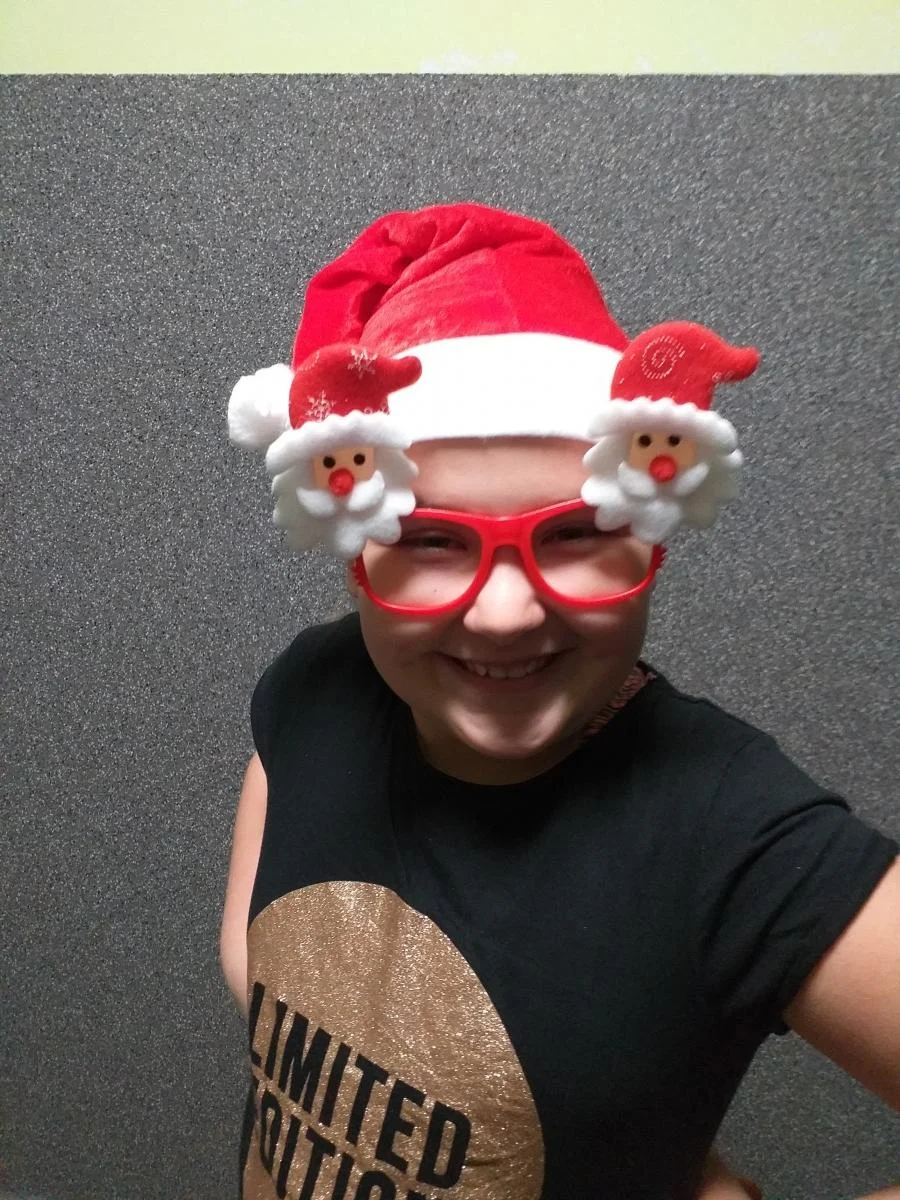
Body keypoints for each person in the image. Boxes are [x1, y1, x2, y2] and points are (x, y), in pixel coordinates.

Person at [220, 203, 900, 1200]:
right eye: (431, 539)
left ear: (653, 523)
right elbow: (261, 956)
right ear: (353, 542)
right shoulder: (315, 688)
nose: (504, 613)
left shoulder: (734, 835)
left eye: (576, 532)